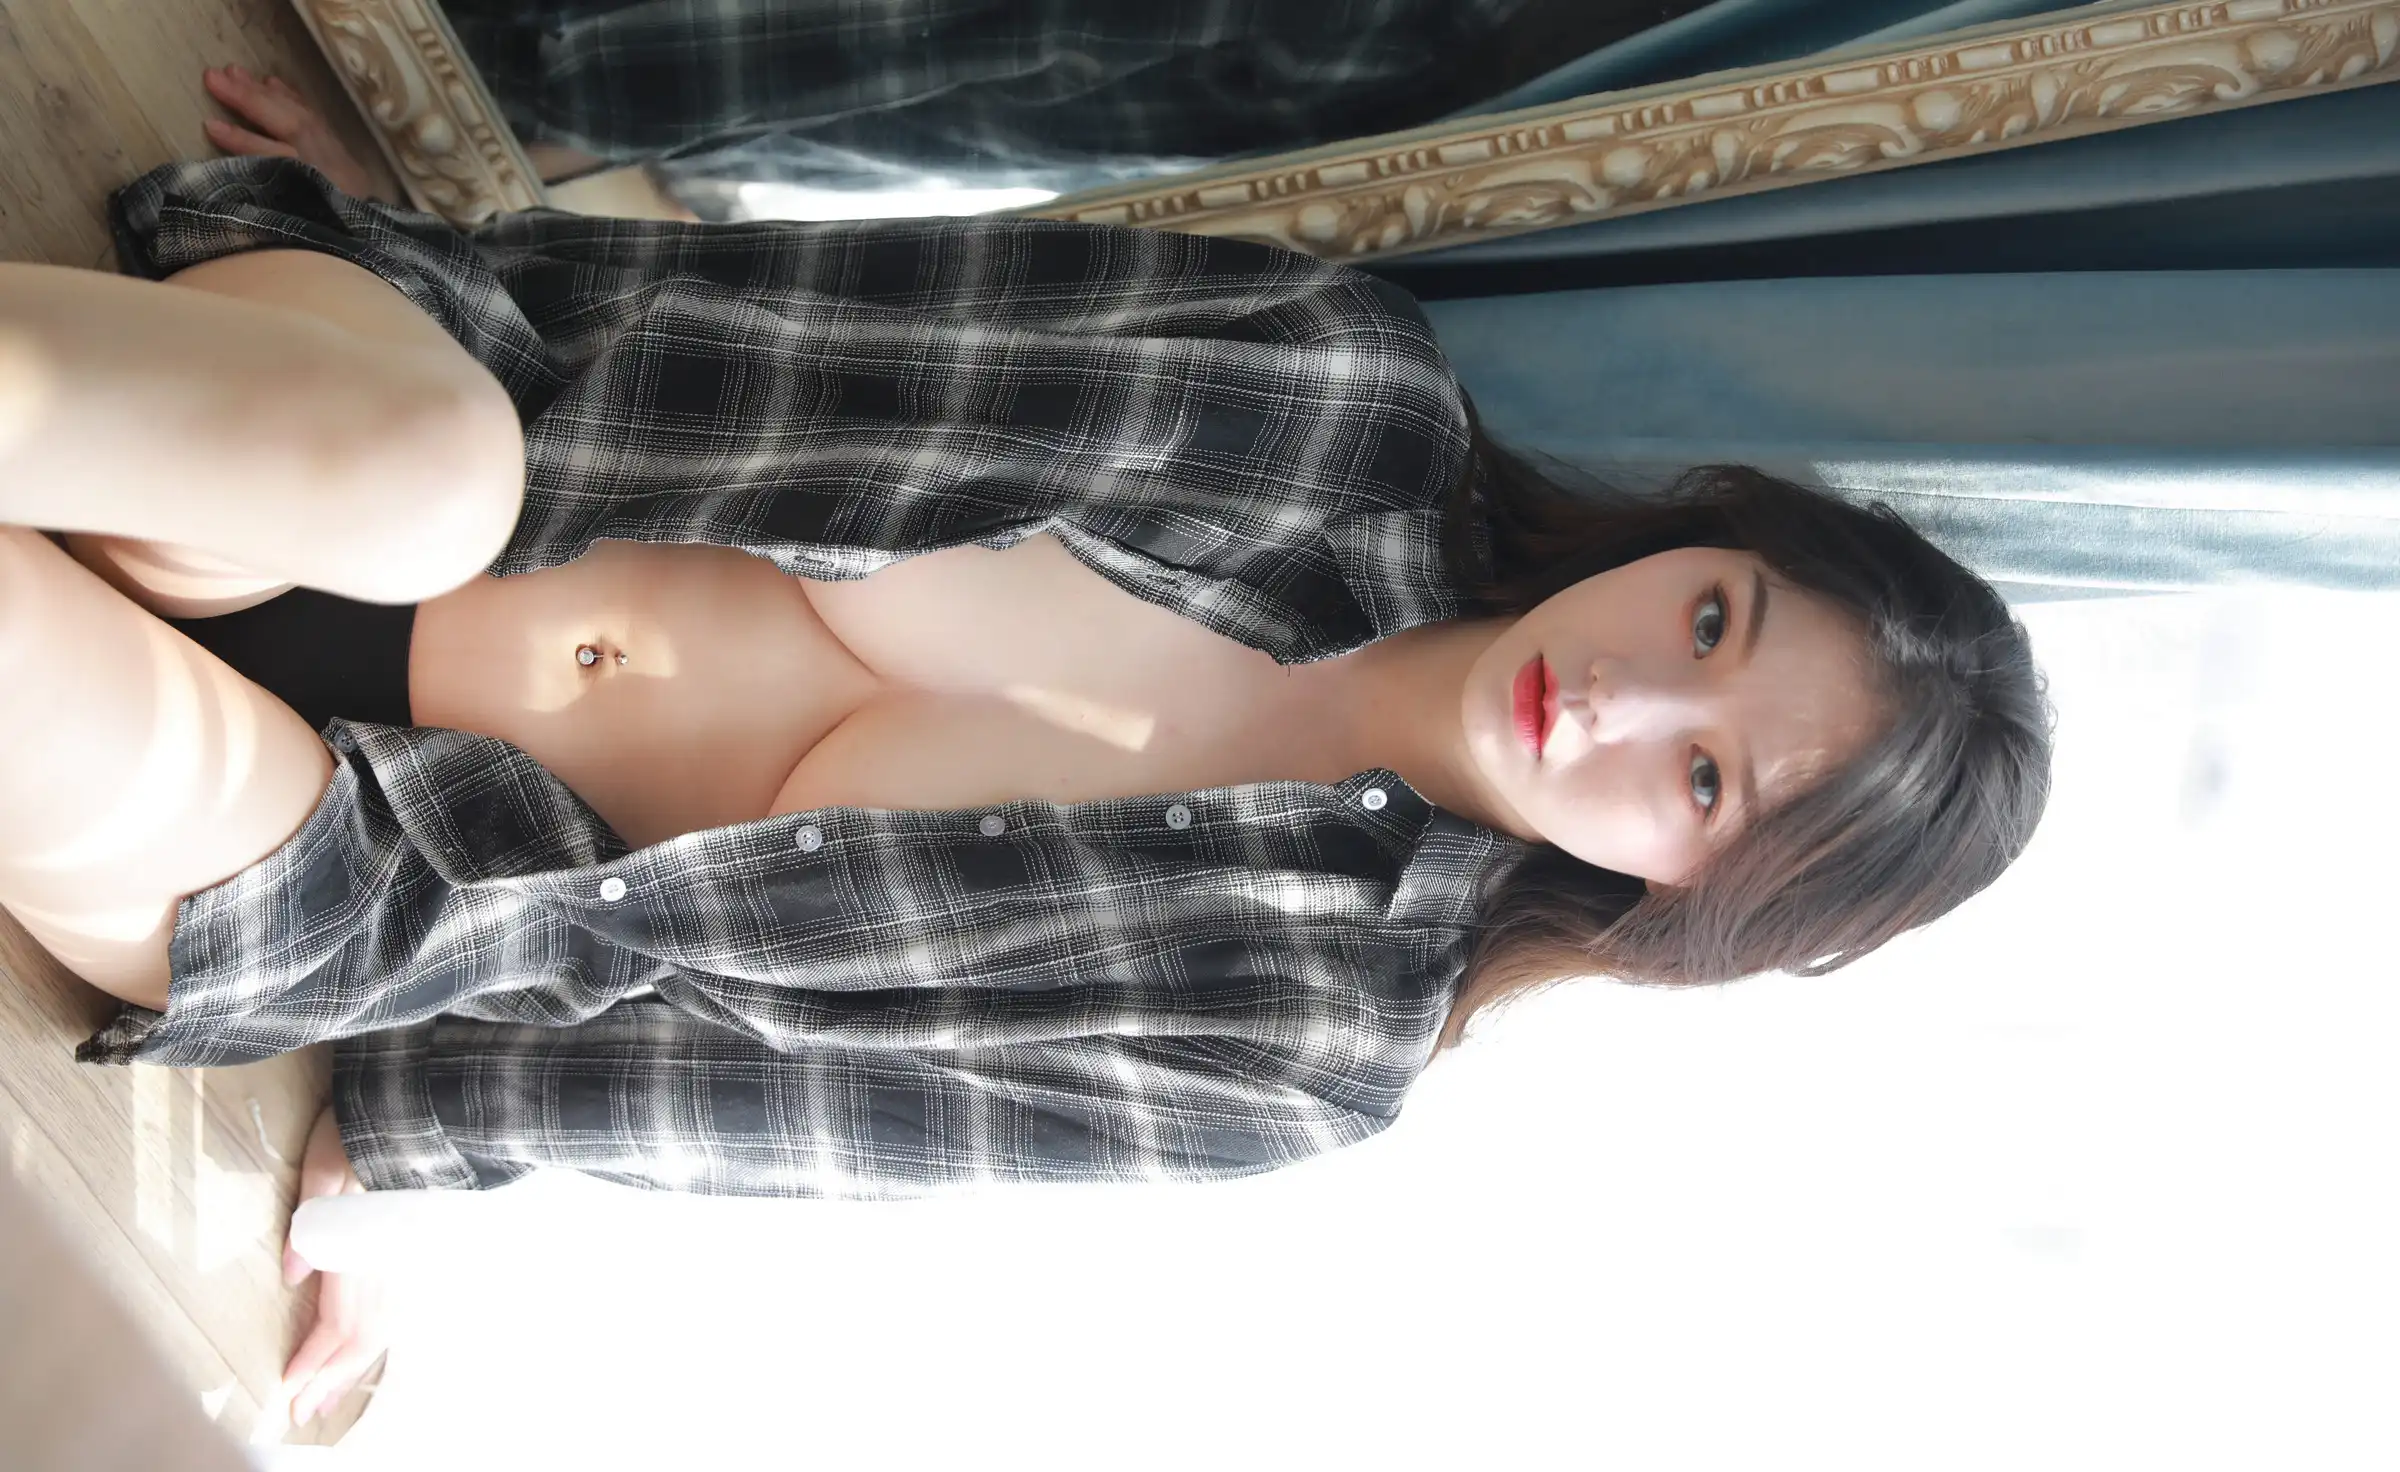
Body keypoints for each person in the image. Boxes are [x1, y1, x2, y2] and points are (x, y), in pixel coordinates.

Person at [0, 73, 2052, 1433]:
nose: (1622, 702)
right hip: (406, 434)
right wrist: (417, 234)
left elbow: (827, 1114)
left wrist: (419, 1153)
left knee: (97, 721)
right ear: (1708, 536)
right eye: (1713, 623)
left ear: (1693, 899)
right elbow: (816, 288)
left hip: (363, 858)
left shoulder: (1310, 1040)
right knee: (432, 477)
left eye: (1706, 782)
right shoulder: (1337, 389)